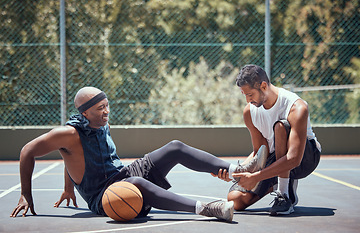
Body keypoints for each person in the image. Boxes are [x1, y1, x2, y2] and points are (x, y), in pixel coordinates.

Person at [10, 86, 267, 222]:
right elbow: (27, 150)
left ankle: (240, 171)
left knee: (174, 147)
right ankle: (207, 209)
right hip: (103, 195)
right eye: (100, 108)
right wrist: (25, 194)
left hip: (122, 174)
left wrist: (68, 188)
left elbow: (71, 157)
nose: (107, 111)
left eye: (107, 106)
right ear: (84, 112)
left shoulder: (101, 123)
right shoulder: (67, 133)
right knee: (135, 183)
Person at [224, 65, 321, 216]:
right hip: (275, 157)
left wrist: (255, 177)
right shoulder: (250, 112)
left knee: (280, 127)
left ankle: (284, 194)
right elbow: (260, 152)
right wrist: (237, 171)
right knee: (236, 200)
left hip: (305, 159)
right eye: (244, 95)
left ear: (263, 86)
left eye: (250, 95)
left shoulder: (296, 106)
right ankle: (278, 182)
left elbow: (294, 159)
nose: (247, 100)